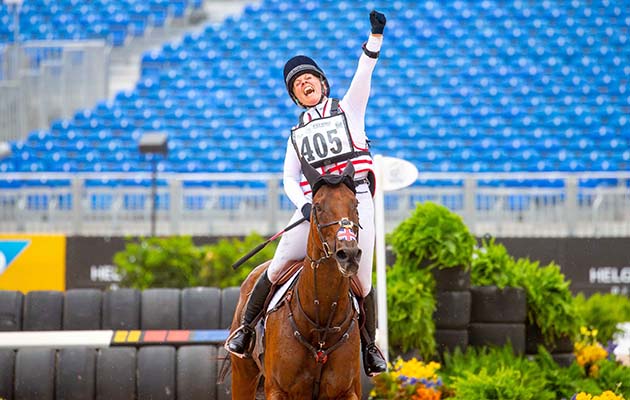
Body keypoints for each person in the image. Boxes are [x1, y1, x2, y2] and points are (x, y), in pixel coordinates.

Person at [226, 9, 388, 376]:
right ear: (296, 97)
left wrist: (374, 39)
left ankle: (369, 348)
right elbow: (289, 177)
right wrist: (303, 205)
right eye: (297, 85)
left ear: (322, 83)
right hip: (316, 209)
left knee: (361, 280)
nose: (304, 84)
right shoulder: (296, 135)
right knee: (281, 261)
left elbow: (364, 75)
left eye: (308, 78)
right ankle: (246, 330)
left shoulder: (349, 110)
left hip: (355, 201)